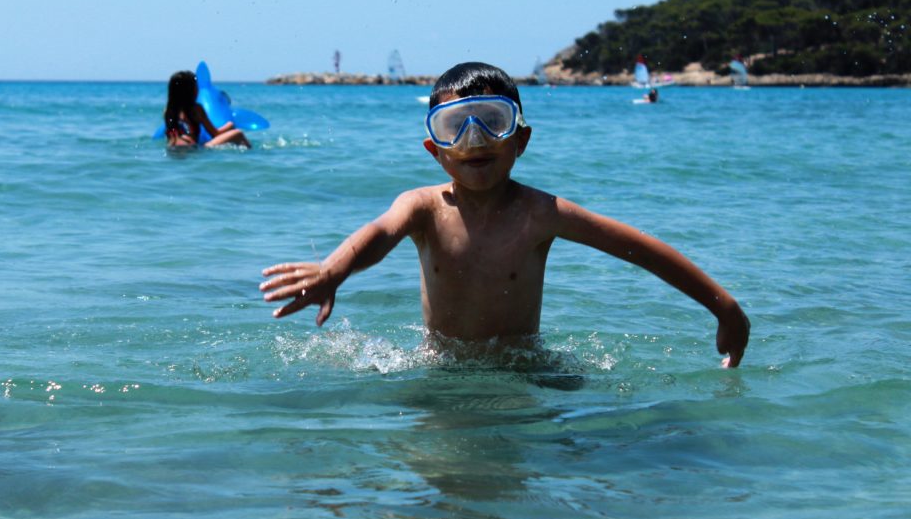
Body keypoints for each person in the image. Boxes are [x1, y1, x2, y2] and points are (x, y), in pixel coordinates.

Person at [260, 62, 750, 367]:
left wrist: (722, 306)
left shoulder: (541, 213)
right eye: (456, 127)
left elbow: (637, 248)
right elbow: (378, 232)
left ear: (521, 139)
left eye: (492, 122)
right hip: (440, 367)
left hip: (524, 368)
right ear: (435, 150)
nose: (474, 140)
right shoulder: (422, 207)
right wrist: (333, 270)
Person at [164, 71, 251, 149]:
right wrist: (230, 125)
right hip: (191, 147)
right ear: (191, 90)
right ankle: (251, 155)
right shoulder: (196, 108)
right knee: (239, 133)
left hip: (172, 148)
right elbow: (214, 134)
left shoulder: (168, 110)